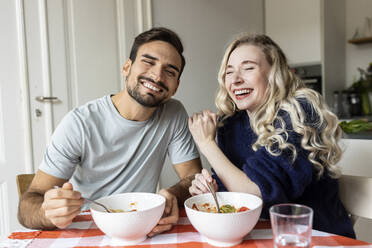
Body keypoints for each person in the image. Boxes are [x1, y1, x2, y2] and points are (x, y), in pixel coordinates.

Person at [18, 27, 202, 236]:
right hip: (88, 227)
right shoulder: (79, 123)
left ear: (175, 87)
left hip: (142, 225)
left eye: (170, 71)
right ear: (126, 67)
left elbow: (193, 177)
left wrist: (171, 195)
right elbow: (28, 204)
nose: (157, 75)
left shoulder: (174, 113)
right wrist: (47, 212)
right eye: (148, 62)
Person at [188, 33, 355, 238]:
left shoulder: (300, 114)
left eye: (248, 68)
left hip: (315, 237)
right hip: (260, 235)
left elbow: (257, 194)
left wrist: (207, 144)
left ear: (275, 73)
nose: (236, 79)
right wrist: (211, 188)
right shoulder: (230, 124)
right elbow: (234, 192)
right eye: (229, 72)